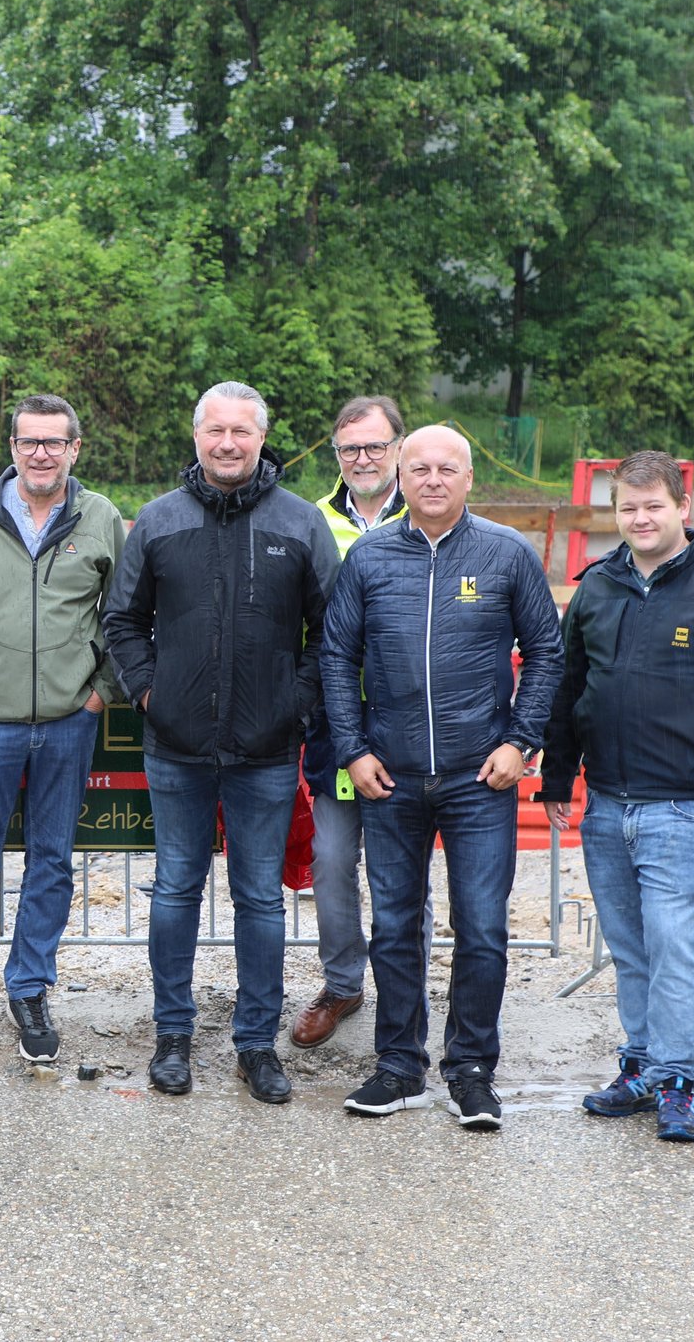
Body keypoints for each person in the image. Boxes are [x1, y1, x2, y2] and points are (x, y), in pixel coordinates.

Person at [539, 451, 694, 1143]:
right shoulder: (597, 587)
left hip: (686, 805)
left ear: (684, 506)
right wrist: (557, 778)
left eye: (654, 505)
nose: (641, 518)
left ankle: (680, 1080)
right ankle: (643, 1065)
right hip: (609, 803)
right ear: (615, 512)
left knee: (676, 943)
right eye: (628, 507)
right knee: (629, 945)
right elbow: (568, 690)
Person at [102, 381, 340, 1104]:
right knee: (175, 888)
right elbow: (121, 620)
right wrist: (151, 692)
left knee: (260, 900)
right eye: (215, 430)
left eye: (242, 430)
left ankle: (256, 1044)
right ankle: (172, 1036)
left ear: (263, 437)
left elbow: (331, 631)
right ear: (196, 435)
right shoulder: (159, 522)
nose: (228, 442)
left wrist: (294, 706)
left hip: (266, 751)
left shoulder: (299, 524)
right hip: (176, 746)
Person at [321, 424, 562, 1132]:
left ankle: (472, 1070)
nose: (431, 479)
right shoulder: (369, 556)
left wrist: (522, 740)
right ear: (401, 472)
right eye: (418, 467)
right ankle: (398, 1065)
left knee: (482, 928)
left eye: (446, 468)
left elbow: (546, 651)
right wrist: (353, 749)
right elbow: (336, 656)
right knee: (394, 926)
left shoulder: (506, 553)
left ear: (468, 477)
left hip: (478, 778)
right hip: (388, 776)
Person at [0, 394, 126, 1064]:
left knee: (51, 863)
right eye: (28, 440)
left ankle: (31, 987)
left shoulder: (99, 518)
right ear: (11, 447)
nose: (41, 452)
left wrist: (99, 695)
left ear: (75, 449)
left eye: (54, 442)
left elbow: (125, 615)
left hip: (70, 723)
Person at [291, 395, 406, 1049]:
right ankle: (342, 983)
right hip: (335, 730)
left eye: (374, 445)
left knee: (401, 868)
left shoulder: (430, 510)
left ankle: (403, 988)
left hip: (411, 730)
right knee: (332, 862)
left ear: (398, 445)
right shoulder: (313, 521)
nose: (362, 458)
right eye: (349, 448)